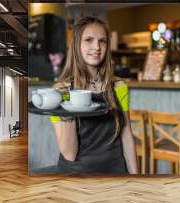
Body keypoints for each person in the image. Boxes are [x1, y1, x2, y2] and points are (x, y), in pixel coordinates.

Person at [50, 16, 138, 175]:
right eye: (89, 40)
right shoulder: (59, 91)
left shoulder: (119, 86)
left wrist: (136, 179)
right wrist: (66, 102)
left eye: (102, 41)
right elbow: (69, 154)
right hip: (77, 176)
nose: (97, 46)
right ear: (77, 45)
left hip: (116, 172)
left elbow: (127, 137)